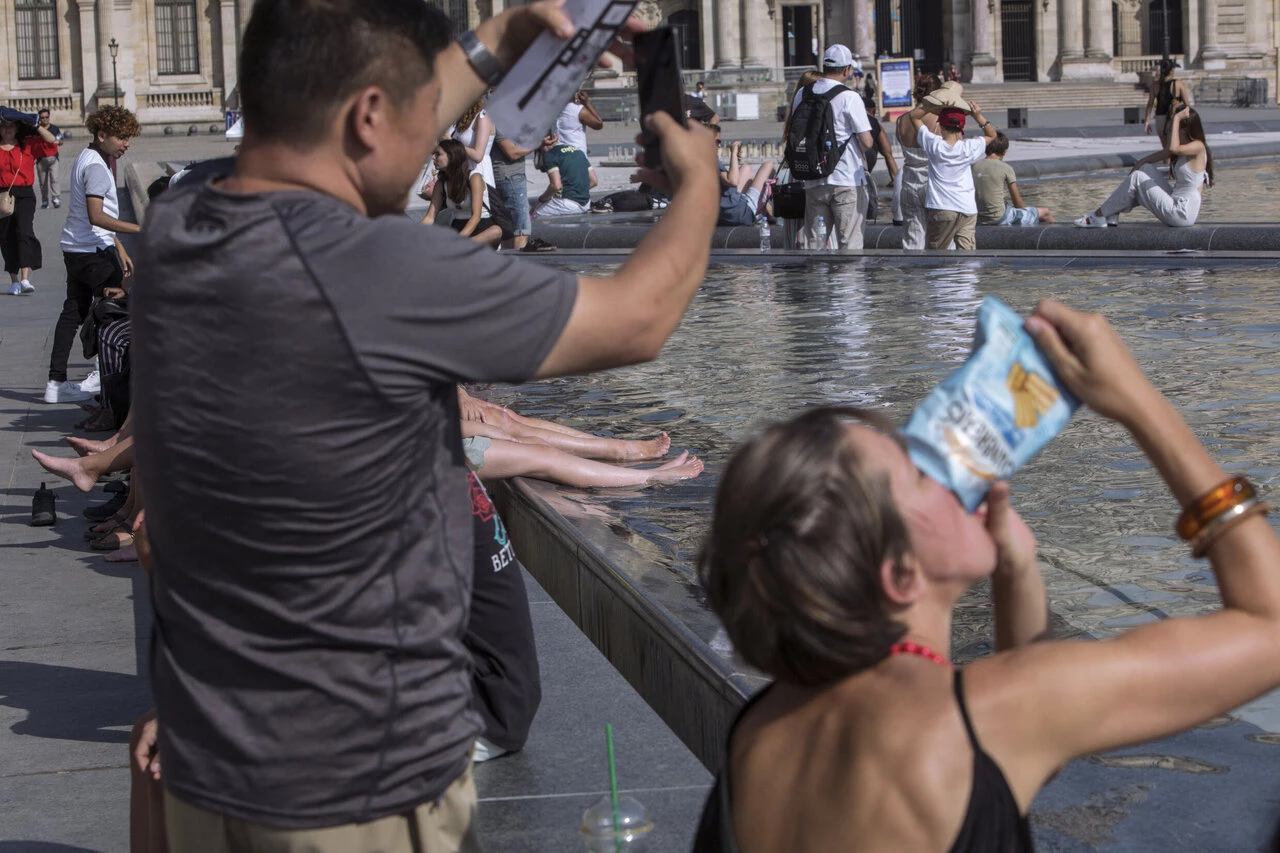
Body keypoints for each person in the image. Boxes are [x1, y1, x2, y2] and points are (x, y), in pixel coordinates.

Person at [129, 1, 719, 850]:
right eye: (421, 119)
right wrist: (696, 178)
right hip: (356, 785)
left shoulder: (182, 229)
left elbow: (373, 116)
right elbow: (637, 319)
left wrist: (505, 39)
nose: (429, 154)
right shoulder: (373, 270)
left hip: (215, 751)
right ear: (370, 116)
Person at [693, 299, 1280, 853]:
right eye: (921, 473)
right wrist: (1138, 402)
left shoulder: (761, 732)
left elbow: (1023, 763)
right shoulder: (984, 718)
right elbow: (1270, 625)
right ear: (899, 576)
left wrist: (1017, 567)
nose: (951, 470)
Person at [46, 105, 140, 405]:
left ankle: (56, 382)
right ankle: (102, 373)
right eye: (122, 137)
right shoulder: (98, 167)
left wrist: (120, 245)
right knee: (116, 309)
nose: (127, 143)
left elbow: (99, 216)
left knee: (73, 311)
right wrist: (138, 229)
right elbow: (96, 216)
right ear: (102, 135)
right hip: (93, 253)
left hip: (75, 249)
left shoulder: (86, 158)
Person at [792, 44, 873, 250]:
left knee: (814, 246)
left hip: (813, 178)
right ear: (846, 70)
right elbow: (867, 142)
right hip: (845, 178)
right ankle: (848, 284)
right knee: (849, 244)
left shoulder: (803, 93)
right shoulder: (849, 97)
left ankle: (817, 282)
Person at [1076, 105, 1211, 228]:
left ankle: (1099, 215)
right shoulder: (1185, 149)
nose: (1170, 132)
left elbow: (1172, 148)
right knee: (1145, 169)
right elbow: (1164, 153)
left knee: (1138, 178)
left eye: (1173, 128)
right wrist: (1140, 163)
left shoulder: (1198, 146)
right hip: (1175, 202)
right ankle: (1112, 213)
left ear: (1184, 130)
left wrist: (1176, 118)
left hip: (1183, 213)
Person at [909, 99, 998, 250]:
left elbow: (914, 117)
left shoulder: (934, 144)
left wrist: (932, 104)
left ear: (941, 126)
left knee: (936, 256)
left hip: (942, 207)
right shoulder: (969, 147)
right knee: (967, 259)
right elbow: (991, 135)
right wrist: (978, 116)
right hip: (967, 209)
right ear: (962, 127)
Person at [0, 109, 57, 295]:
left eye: (11, 126)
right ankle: (14, 280)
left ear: (17, 128)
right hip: (3, 196)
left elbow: (51, 140)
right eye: (4, 127)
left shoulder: (28, 145)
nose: (7, 130)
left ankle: (25, 278)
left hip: (24, 194)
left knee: (23, 231)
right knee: (7, 236)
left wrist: (36, 125)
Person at [423, 139, 509, 246]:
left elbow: (476, 217)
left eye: (438, 154)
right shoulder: (441, 184)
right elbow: (430, 217)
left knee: (496, 231)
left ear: (452, 156)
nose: (433, 158)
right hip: (457, 227)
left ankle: (461, 246)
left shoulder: (474, 177)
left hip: (480, 228)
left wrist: (459, 241)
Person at [894, 75, 943, 243]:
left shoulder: (901, 120)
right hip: (932, 182)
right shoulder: (938, 121)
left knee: (913, 239)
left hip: (909, 183)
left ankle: (913, 269)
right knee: (939, 238)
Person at [492, 128, 555, 252]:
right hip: (509, 176)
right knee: (521, 228)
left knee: (508, 229)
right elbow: (512, 153)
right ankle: (518, 266)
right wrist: (538, 144)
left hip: (506, 176)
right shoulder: (500, 120)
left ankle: (508, 266)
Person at [972, 133, 1054, 226]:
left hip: (978, 217)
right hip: (999, 217)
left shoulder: (973, 166)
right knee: (1045, 212)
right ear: (1005, 151)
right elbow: (1017, 202)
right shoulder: (1006, 168)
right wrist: (1026, 213)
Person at [715, 131, 775, 227]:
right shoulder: (714, 162)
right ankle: (762, 207)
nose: (719, 145)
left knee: (745, 168)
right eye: (717, 142)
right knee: (769, 166)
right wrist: (734, 153)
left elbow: (725, 182)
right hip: (742, 214)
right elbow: (732, 181)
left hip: (725, 210)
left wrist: (734, 161)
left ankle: (761, 202)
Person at [533, 134, 593, 217]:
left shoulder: (550, 154)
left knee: (533, 214)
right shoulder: (578, 151)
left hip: (567, 203)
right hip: (586, 204)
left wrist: (541, 199)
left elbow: (556, 186)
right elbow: (594, 181)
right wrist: (576, 190)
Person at [555, 89, 603, 188]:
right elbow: (599, 124)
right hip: (576, 154)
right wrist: (587, 103)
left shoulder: (555, 110)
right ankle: (570, 199)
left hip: (561, 153)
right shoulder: (578, 110)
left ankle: (571, 197)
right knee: (578, 185)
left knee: (593, 180)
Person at [862, 95, 897, 223]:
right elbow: (888, 153)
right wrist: (895, 179)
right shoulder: (874, 122)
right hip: (868, 160)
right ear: (873, 110)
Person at [450, 95, 496, 190]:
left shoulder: (482, 117)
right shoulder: (461, 117)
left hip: (478, 172)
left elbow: (478, 155)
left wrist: (452, 143)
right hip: (461, 172)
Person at [1144, 58, 1193, 142]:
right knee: (1176, 147)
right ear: (1172, 70)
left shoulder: (1155, 86)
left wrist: (1147, 121)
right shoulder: (1178, 83)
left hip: (1160, 118)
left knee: (1165, 148)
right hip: (1174, 117)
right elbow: (1187, 104)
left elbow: (1150, 104)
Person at [32, 108, 63, 209]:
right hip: (41, 159)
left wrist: (57, 142)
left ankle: (56, 198)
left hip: (53, 158)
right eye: (42, 117)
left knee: (55, 179)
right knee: (43, 182)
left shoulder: (54, 129)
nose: (45, 119)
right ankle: (45, 201)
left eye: (46, 117)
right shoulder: (36, 130)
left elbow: (61, 140)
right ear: (39, 119)